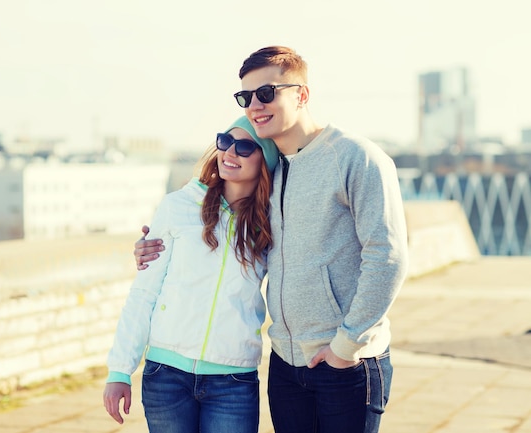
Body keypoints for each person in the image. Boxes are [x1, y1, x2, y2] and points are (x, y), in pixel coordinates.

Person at [133, 46, 409, 433]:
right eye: (246, 97)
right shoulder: (269, 173)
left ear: (302, 94)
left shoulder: (355, 157)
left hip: (347, 363)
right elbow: (220, 238)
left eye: (267, 93)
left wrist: (346, 347)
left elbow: (388, 256)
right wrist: (156, 246)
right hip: (286, 364)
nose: (255, 105)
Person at [103, 116, 279, 433]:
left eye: (244, 147)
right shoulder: (178, 206)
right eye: (225, 142)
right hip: (166, 375)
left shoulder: (271, 223)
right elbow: (145, 292)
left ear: (264, 160)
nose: (229, 153)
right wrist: (120, 370)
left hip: (233, 380)